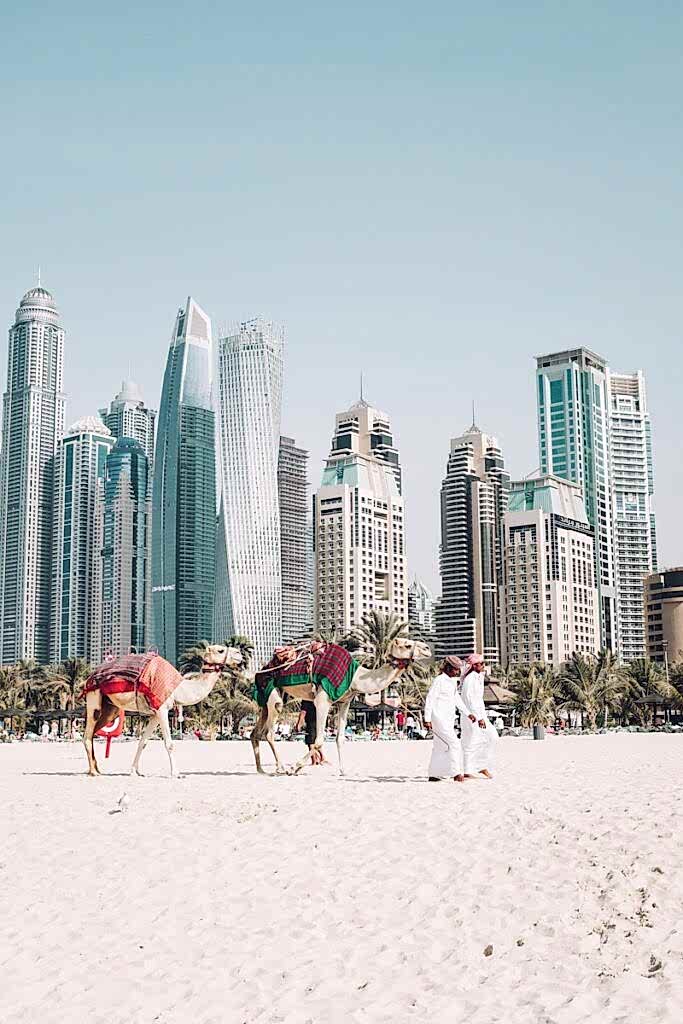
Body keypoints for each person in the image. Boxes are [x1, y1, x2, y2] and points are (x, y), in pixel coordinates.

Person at [423, 656, 470, 782]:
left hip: (448, 719)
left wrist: (467, 713)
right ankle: (457, 774)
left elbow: (456, 699)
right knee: (454, 744)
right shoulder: (439, 680)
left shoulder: (452, 682)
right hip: (438, 719)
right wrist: (427, 719)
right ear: (448, 668)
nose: (457, 672)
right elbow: (430, 699)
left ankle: (434, 774)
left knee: (439, 746)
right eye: (455, 670)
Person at [459, 653, 498, 779]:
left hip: (479, 714)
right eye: (478, 664)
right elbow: (469, 699)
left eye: (482, 663)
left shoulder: (478, 677)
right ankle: (469, 770)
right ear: (473, 665)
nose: (482, 666)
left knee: (492, 737)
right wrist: (478, 717)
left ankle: (480, 766)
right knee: (471, 742)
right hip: (472, 716)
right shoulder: (470, 679)